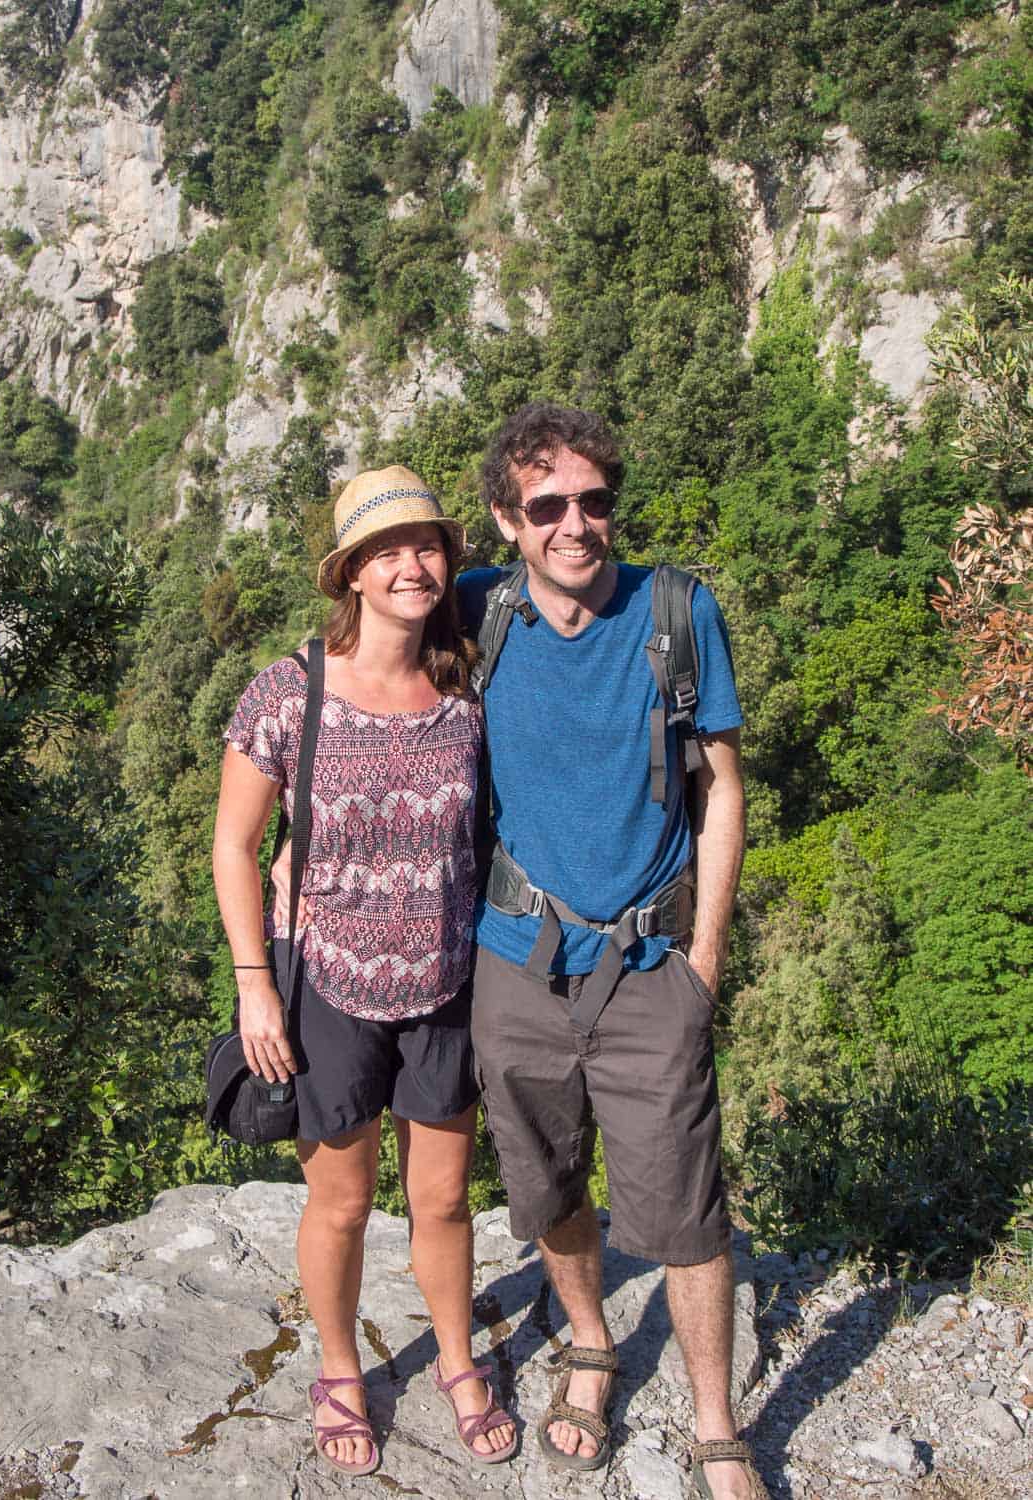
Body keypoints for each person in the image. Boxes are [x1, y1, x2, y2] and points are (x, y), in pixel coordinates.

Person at [458, 404, 763, 1500]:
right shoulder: (477, 611)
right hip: (513, 960)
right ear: (508, 519)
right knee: (544, 1184)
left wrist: (705, 961)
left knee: (683, 1209)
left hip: (646, 967)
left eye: (593, 501)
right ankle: (589, 1342)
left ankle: (718, 1423)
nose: (575, 525)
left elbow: (721, 787)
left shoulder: (676, 611)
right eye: (547, 507)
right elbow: (362, 667)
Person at [212, 467, 516, 1476]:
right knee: (341, 1203)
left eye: (425, 545)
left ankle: (458, 1361)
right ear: (350, 573)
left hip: (447, 978)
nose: (410, 564)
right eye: (385, 550)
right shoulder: (289, 691)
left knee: (441, 1201)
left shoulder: (467, 685)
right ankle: (340, 1367)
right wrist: (256, 982)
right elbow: (234, 844)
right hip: (328, 982)